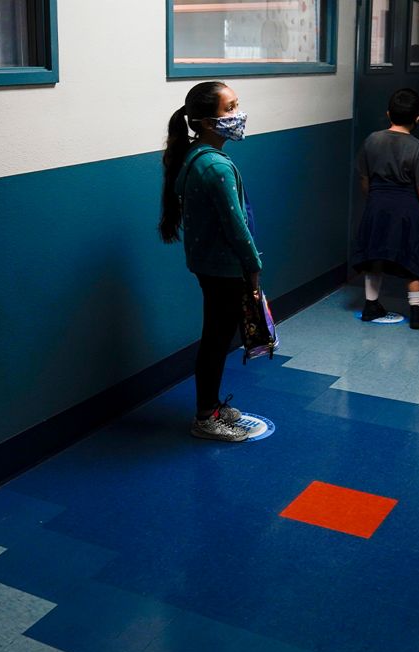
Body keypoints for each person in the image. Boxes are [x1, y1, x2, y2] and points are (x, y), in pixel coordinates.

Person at [158, 81, 263, 442]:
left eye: (237, 105)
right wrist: (254, 267)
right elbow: (236, 227)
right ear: (204, 122)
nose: (238, 114)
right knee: (216, 340)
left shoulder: (198, 155)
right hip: (224, 268)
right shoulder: (214, 165)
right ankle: (205, 417)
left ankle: (212, 405)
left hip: (211, 264)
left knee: (217, 336)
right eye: (229, 108)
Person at [351, 88, 419, 330]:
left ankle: (370, 306)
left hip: (377, 205)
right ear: (418, 118)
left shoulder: (372, 140)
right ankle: (417, 314)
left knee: (374, 257)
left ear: (388, 114)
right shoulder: (418, 148)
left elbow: (363, 178)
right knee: (412, 260)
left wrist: (373, 199)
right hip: (407, 209)